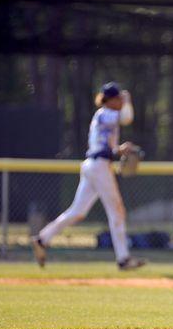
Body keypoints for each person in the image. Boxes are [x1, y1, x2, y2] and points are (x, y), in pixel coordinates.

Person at [31, 82, 146, 271]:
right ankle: (123, 259)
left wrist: (120, 150)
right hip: (99, 166)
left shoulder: (102, 116)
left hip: (93, 164)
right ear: (111, 99)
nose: (120, 102)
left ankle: (43, 239)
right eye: (118, 99)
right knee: (117, 211)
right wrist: (128, 100)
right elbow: (127, 117)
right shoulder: (107, 112)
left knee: (77, 211)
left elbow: (106, 146)